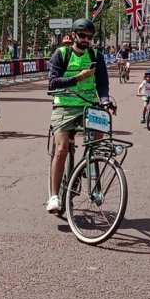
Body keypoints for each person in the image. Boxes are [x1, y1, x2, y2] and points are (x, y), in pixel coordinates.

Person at [46, 18, 112, 213]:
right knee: (61, 149)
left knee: (102, 126)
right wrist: (78, 77)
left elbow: (102, 83)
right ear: (74, 35)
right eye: (82, 35)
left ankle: (87, 161)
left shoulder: (96, 56)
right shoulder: (62, 54)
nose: (86, 40)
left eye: (89, 37)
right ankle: (54, 196)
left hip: (89, 104)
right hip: (64, 106)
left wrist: (106, 99)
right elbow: (52, 83)